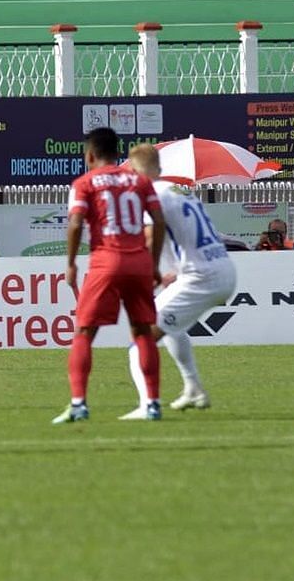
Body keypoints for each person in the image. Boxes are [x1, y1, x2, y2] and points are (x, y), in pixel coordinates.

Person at [51, 127, 168, 424]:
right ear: (118, 153)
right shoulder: (140, 181)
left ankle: (78, 403)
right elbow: (158, 220)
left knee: (84, 332)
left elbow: (76, 223)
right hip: (139, 261)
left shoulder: (84, 183)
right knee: (143, 331)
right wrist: (153, 264)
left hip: (106, 260)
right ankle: (153, 402)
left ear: (90, 154)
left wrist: (71, 262)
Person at [121, 144, 236, 416]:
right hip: (220, 269)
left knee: (140, 337)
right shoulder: (181, 191)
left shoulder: (150, 194)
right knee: (170, 327)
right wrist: (176, 270)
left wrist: (147, 272)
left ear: (135, 173)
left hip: (201, 278)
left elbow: (151, 236)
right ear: (159, 168)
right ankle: (193, 388)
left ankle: (148, 405)